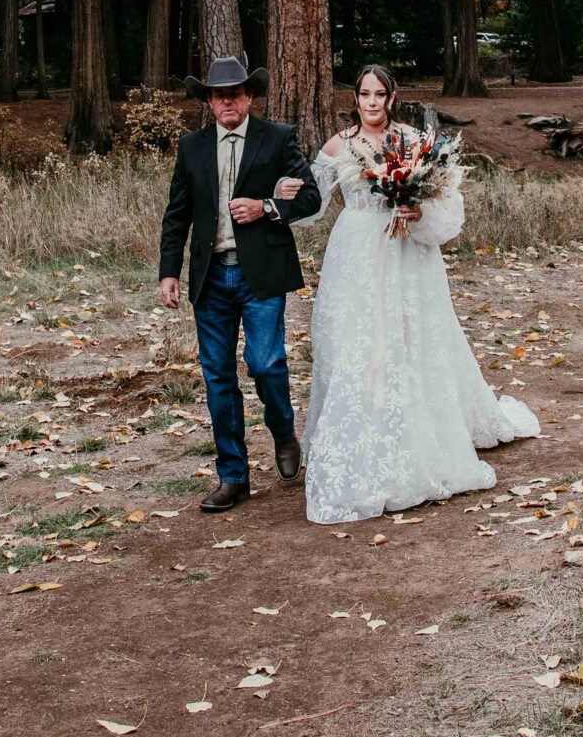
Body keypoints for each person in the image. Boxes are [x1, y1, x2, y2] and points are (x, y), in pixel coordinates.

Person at [285, 65, 538, 524]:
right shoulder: (337, 146)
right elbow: (311, 204)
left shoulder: (414, 141)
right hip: (357, 254)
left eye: (380, 94)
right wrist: (279, 196)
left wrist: (416, 208)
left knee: (410, 337)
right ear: (355, 98)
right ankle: (361, 432)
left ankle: (421, 435)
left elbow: (447, 207)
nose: (372, 103)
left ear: (392, 96)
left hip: (407, 255)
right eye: (364, 94)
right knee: (358, 343)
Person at [157, 56, 323, 514]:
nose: (227, 99)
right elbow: (177, 215)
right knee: (218, 378)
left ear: (250, 96)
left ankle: (283, 431)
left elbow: (310, 197)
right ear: (209, 102)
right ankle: (233, 476)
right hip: (210, 277)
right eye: (218, 93)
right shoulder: (191, 147)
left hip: (261, 272)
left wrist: (267, 207)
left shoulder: (278, 139)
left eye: (235, 92)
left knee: (266, 362)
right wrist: (168, 272)